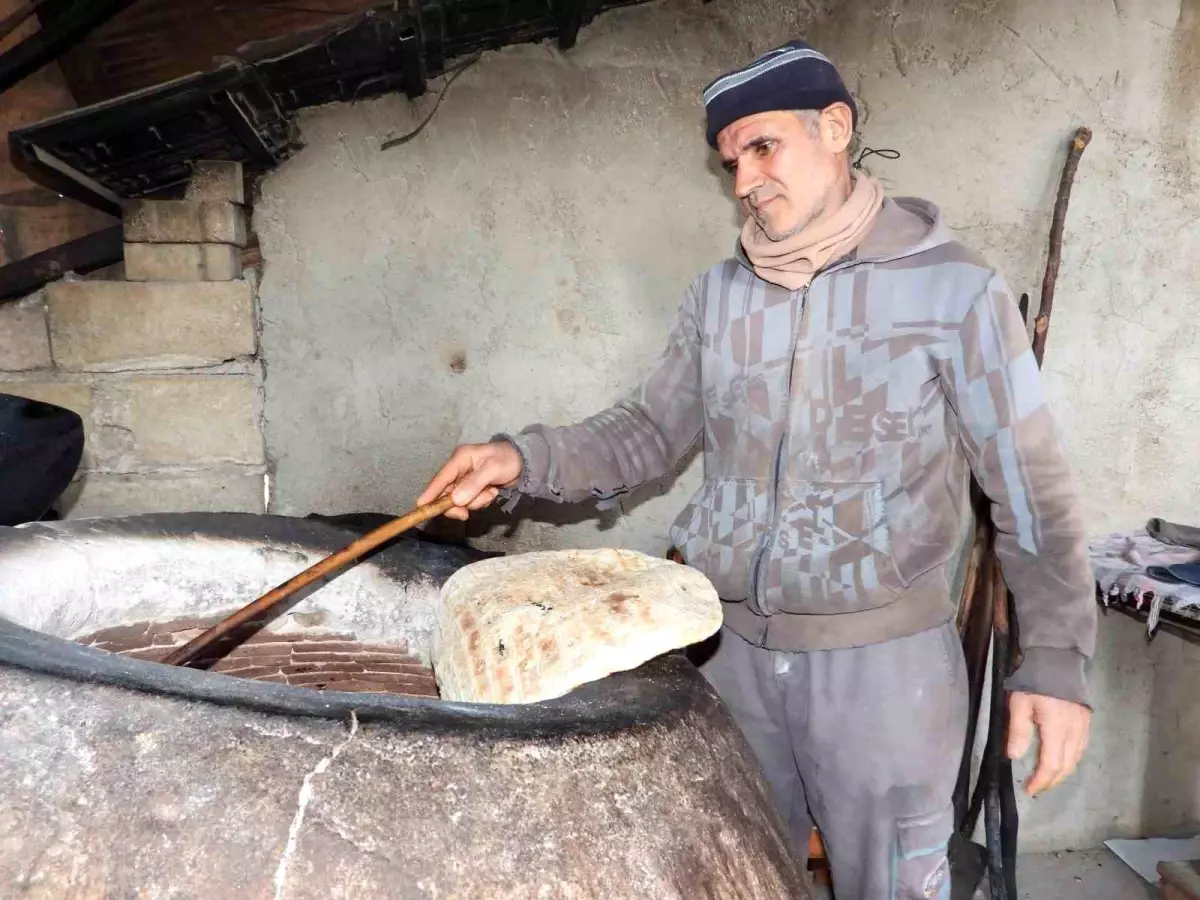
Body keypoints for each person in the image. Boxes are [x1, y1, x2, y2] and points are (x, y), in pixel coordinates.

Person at [419, 40, 1096, 899]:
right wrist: (521, 458)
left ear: (836, 128)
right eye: (731, 160)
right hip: (724, 657)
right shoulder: (720, 297)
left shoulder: (954, 293)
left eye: (763, 147)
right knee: (734, 881)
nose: (744, 181)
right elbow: (646, 433)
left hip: (885, 675)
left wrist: (1058, 665)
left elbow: (1030, 487)